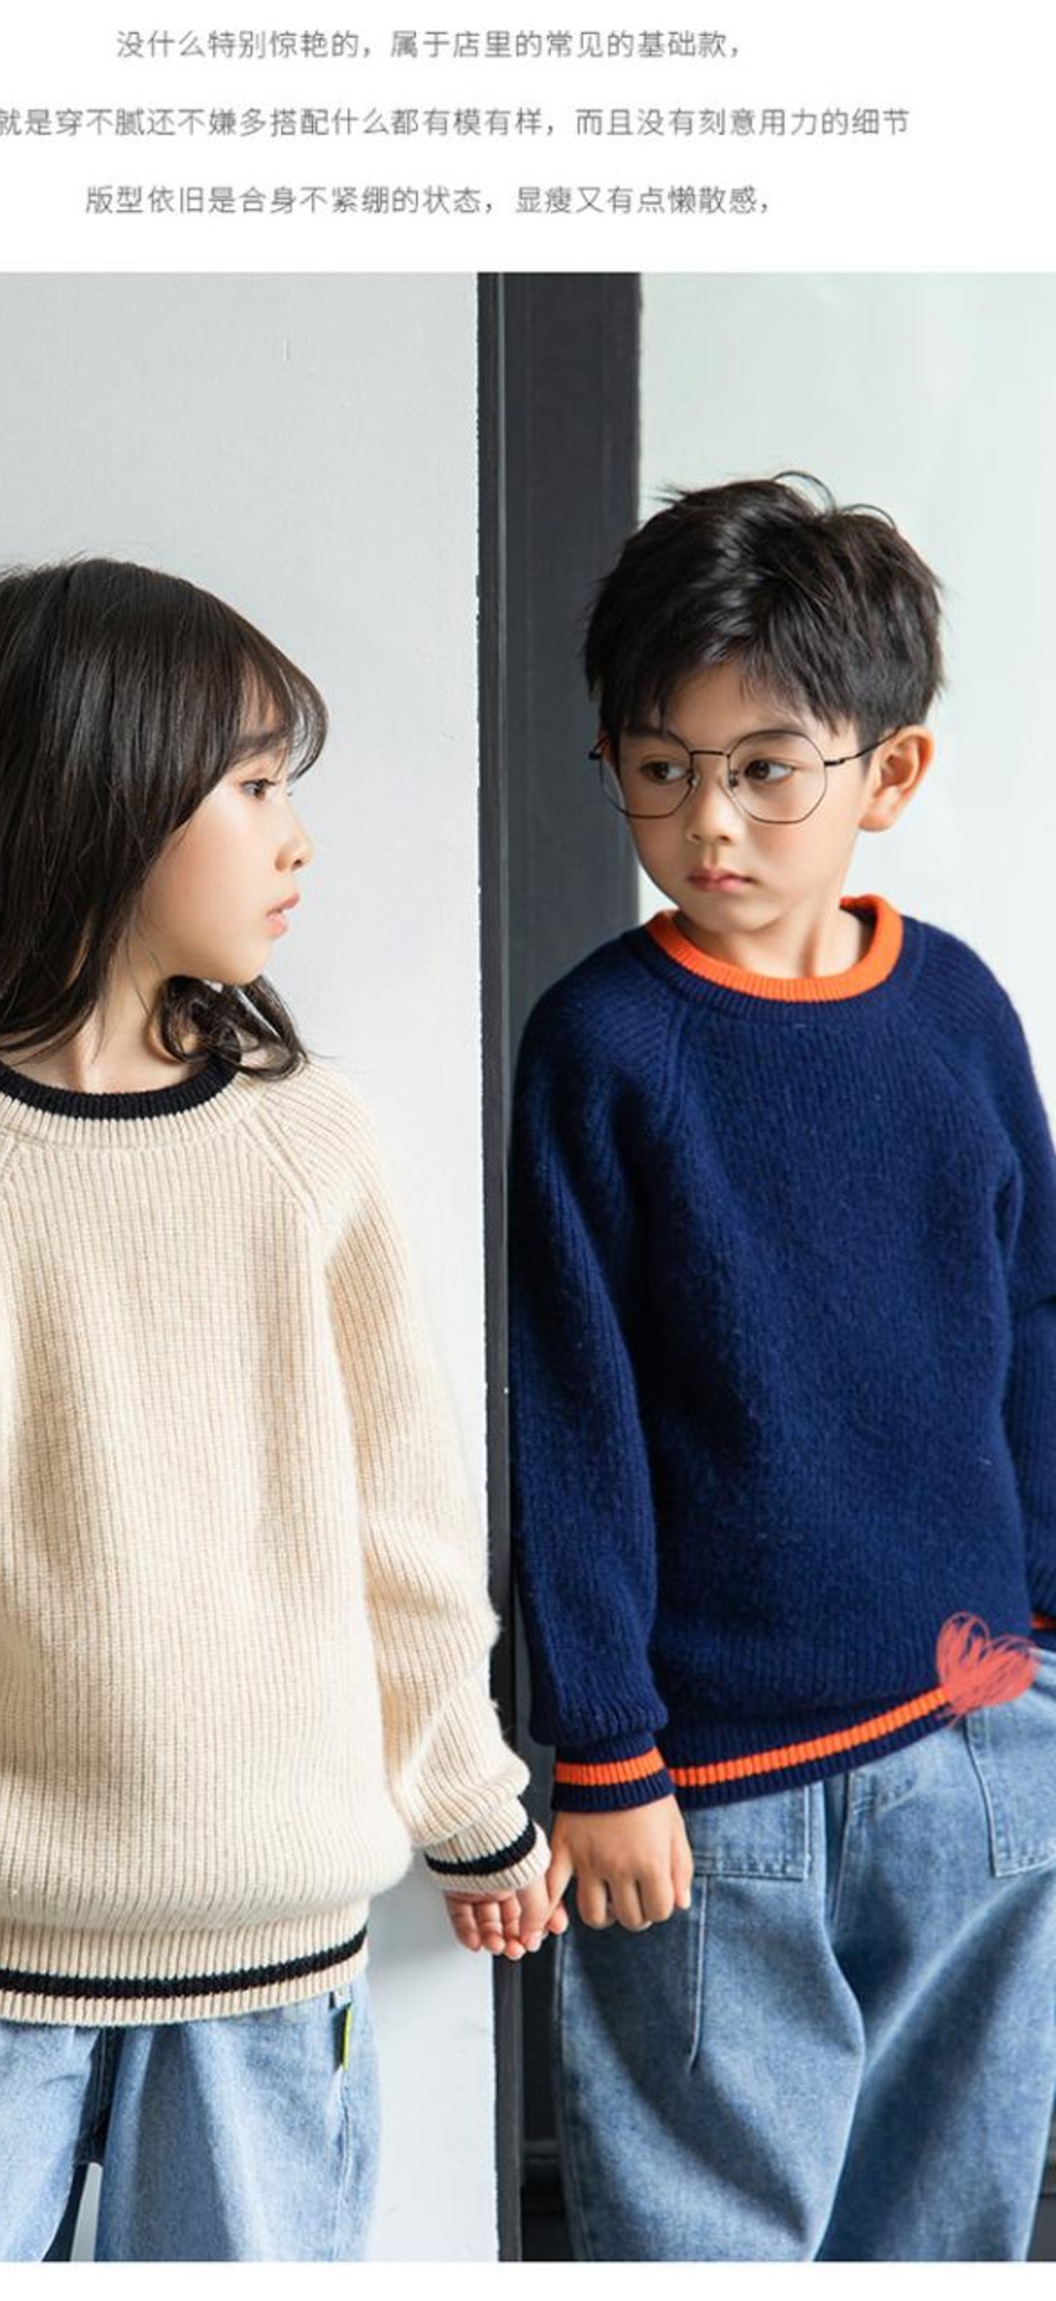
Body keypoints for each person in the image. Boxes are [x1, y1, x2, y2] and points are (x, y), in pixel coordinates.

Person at [0, 557, 556, 2264]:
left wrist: (469, 1797)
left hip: (274, 1961)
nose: (299, 839)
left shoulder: (310, 1143)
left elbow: (405, 1527)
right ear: (103, 798)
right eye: (256, 785)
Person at [509, 476, 1056, 2262]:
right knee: (708, 2239)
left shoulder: (960, 1008)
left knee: (952, 2228)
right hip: (714, 1787)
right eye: (660, 768)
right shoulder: (602, 1043)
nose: (708, 821)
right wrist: (605, 1747)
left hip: (982, 1734)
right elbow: (572, 1410)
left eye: (764, 769)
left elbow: (1034, 1320)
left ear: (887, 774)